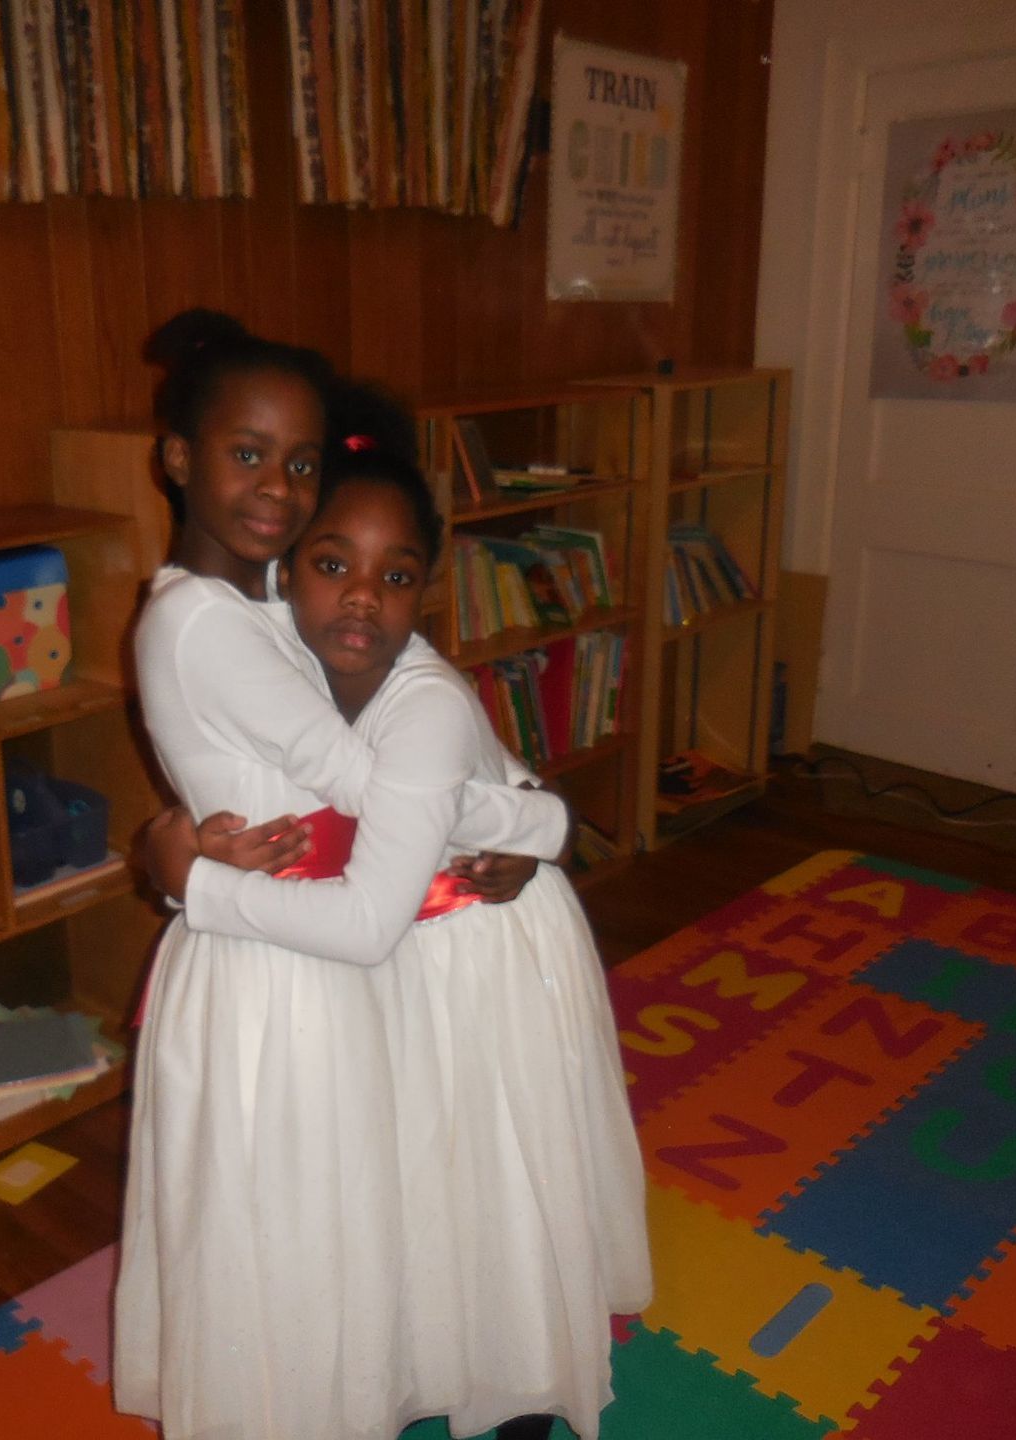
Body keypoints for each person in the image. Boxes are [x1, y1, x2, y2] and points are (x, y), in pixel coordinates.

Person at [145, 405, 652, 1440]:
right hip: (396, 945)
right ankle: (427, 1359)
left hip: (478, 947)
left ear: (429, 583)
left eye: (396, 576)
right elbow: (255, 786)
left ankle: (517, 1390)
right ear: (289, 565)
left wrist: (542, 820)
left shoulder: (417, 702)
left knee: (491, 1178)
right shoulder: (277, 659)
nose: (361, 598)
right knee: (415, 1180)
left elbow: (424, 818)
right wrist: (171, 847)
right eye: (332, 562)